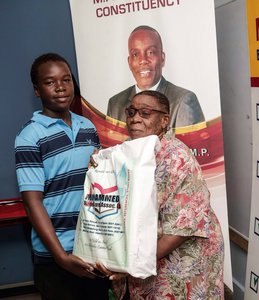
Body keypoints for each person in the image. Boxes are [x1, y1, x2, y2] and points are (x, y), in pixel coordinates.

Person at [98, 90, 224, 299]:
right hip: (144, 257)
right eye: (131, 112)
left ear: (164, 121)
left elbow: (181, 230)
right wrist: (99, 167)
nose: (135, 118)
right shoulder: (130, 151)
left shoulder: (177, 158)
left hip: (180, 260)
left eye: (145, 113)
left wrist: (132, 264)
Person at [14, 53, 110, 300]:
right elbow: (31, 201)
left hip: (93, 248)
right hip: (56, 255)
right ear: (37, 90)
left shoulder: (88, 127)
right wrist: (61, 257)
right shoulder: (29, 136)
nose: (60, 87)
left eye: (66, 79)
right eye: (50, 82)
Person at [106, 25, 205, 128]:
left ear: (162, 59)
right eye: (135, 54)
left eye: (150, 52)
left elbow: (190, 144)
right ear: (129, 62)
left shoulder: (183, 101)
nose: (143, 60)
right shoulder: (115, 105)